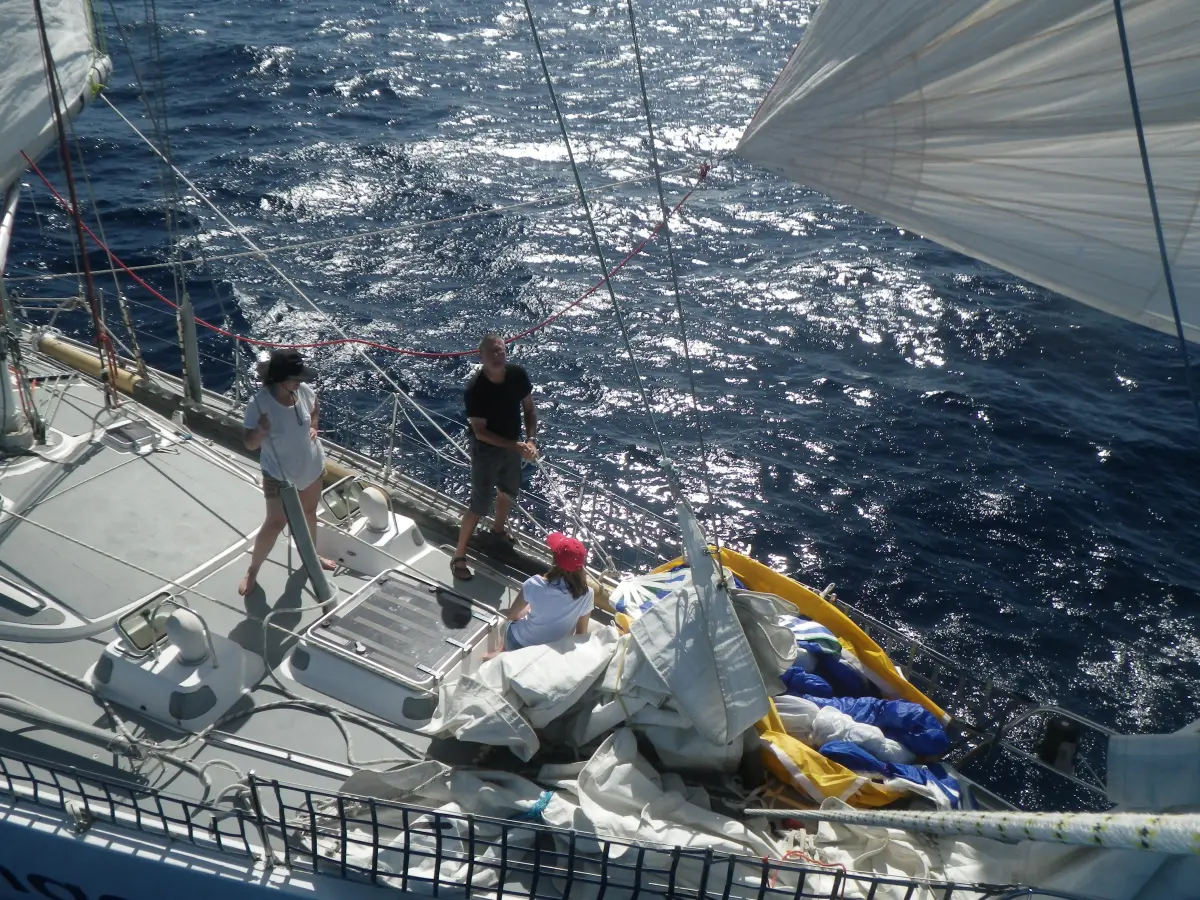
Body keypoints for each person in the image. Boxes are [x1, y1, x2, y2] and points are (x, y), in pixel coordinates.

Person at [239, 349, 335, 596]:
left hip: (311, 466)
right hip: (278, 475)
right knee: (275, 523)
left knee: (310, 514)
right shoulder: (259, 404)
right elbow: (249, 444)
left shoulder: (302, 392)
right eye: (296, 378)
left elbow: (314, 408)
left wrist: (313, 426)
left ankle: (311, 557)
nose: (300, 382)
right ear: (280, 378)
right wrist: (260, 432)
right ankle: (253, 571)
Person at [451, 333, 538, 581]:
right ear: (481, 357)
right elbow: (480, 433)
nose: (497, 356)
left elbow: (530, 409)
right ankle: (459, 556)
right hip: (486, 451)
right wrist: (517, 446)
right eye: (492, 353)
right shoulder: (475, 389)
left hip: (513, 447)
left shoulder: (517, 375)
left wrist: (530, 440)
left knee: (508, 491)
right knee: (479, 505)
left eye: (500, 351)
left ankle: (497, 531)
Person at [499, 532, 593, 654]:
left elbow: (512, 615)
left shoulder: (534, 583)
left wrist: (527, 609)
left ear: (555, 561)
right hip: (549, 654)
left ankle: (499, 651)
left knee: (507, 625)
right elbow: (581, 633)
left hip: (519, 645)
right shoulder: (587, 594)